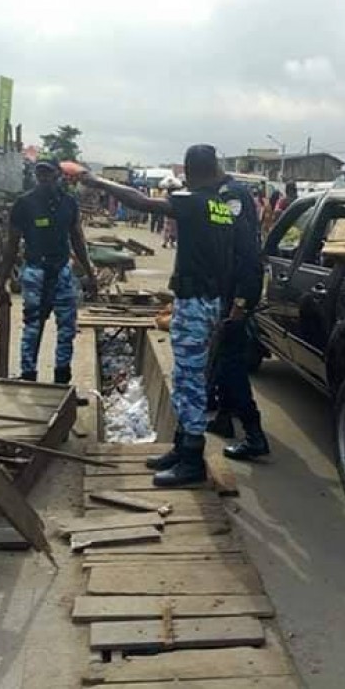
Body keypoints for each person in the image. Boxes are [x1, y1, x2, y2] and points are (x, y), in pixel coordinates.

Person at [79, 145, 235, 487]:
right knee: (187, 377)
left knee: (190, 383)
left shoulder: (193, 201)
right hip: (210, 301)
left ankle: (192, 461)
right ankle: (181, 448)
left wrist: (99, 182)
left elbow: (140, 201)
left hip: (195, 304)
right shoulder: (220, 206)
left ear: (191, 172)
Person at [0, 157, 97, 384]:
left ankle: (61, 382)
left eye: (47, 173)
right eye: (39, 173)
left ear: (57, 175)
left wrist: (90, 273)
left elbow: (77, 239)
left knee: (66, 330)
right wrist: (1, 281)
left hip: (62, 272)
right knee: (33, 327)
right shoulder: (24, 204)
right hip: (35, 273)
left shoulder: (69, 203)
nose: (43, 178)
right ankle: (28, 376)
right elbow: (12, 244)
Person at [208, 178, 269, 460]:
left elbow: (250, 264)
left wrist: (239, 304)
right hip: (231, 295)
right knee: (221, 358)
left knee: (230, 365)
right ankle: (223, 416)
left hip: (239, 298)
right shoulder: (231, 201)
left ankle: (254, 434)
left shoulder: (233, 205)